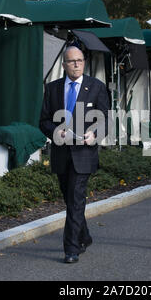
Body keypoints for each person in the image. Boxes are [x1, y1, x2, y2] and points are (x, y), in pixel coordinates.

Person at [39, 46, 109, 263]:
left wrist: (94, 134)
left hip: (84, 153)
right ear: (64, 65)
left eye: (80, 60)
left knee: (76, 198)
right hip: (61, 153)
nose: (77, 64)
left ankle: (71, 248)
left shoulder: (96, 87)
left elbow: (106, 119)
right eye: (72, 61)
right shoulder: (52, 89)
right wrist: (54, 131)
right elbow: (43, 121)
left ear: (84, 63)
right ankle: (84, 236)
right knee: (71, 200)